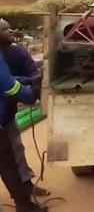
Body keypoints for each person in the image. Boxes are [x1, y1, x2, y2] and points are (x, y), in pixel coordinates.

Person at [0, 40, 45, 212]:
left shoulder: (18, 52)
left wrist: (27, 79)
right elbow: (8, 85)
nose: (10, 32)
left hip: (6, 117)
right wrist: (30, 94)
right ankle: (24, 205)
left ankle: (24, 199)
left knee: (11, 157)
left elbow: (8, 79)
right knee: (7, 163)